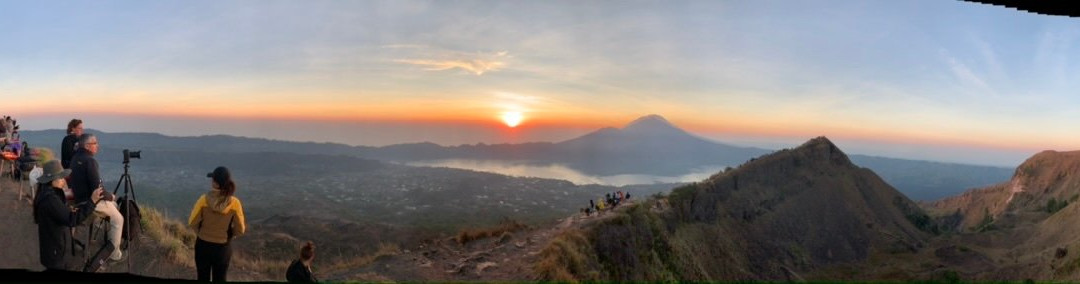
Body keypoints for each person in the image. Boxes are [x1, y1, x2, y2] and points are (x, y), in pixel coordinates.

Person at [34, 160, 104, 271]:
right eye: (61, 178)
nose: (63, 181)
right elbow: (72, 220)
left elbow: (59, 215)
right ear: (52, 180)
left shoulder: (47, 193)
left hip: (53, 250)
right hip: (56, 253)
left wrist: (66, 210)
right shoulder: (50, 199)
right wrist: (92, 201)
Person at [68, 133, 124, 261]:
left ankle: (109, 239)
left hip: (78, 200)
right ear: (87, 146)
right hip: (90, 202)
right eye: (95, 143)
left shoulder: (75, 157)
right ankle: (114, 255)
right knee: (118, 219)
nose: (97, 146)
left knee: (113, 207)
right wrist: (111, 196)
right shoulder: (90, 161)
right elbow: (97, 190)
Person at [189, 166, 247, 282]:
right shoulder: (235, 203)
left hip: (203, 246)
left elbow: (192, 222)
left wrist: (201, 233)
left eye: (213, 179)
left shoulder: (203, 200)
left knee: (202, 278)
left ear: (216, 183)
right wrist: (230, 235)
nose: (211, 181)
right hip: (222, 249)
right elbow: (240, 229)